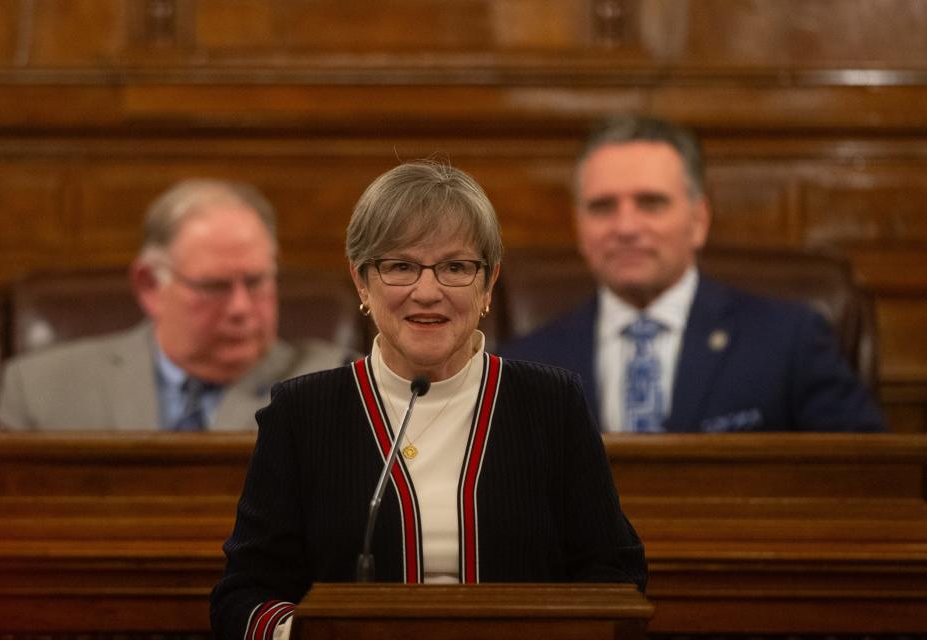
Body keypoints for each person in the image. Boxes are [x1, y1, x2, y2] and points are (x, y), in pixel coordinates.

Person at [210, 161, 647, 640]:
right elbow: (244, 594)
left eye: (455, 267)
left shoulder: (551, 404)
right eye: (400, 266)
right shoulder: (302, 414)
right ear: (361, 281)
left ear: (488, 282)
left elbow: (614, 573)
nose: (427, 292)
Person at [499, 114, 884, 433]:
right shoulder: (525, 366)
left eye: (651, 203)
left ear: (698, 220)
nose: (626, 227)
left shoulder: (789, 342)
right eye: (602, 207)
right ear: (579, 227)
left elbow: (865, 481)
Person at [0, 178, 352, 431]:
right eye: (214, 286)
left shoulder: (338, 391)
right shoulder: (40, 391)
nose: (241, 308)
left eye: (257, 281)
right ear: (150, 285)